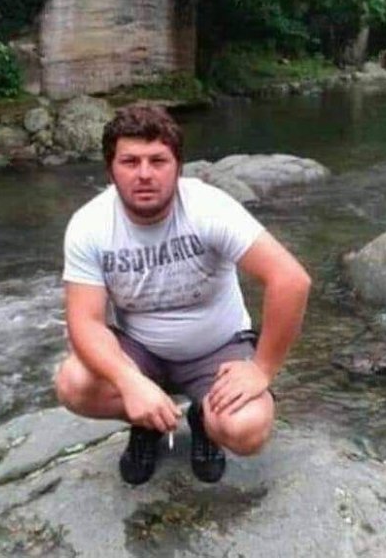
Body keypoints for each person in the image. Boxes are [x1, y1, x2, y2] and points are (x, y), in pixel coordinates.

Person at [55, 104, 311, 485]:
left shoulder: (209, 207)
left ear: (178, 167)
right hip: (140, 352)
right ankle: (148, 422)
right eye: (130, 162)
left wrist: (262, 369)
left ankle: (204, 421)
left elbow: (290, 280)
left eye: (158, 161)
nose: (144, 174)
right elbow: (84, 322)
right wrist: (128, 382)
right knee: (73, 383)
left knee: (247, 429)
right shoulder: (89, 225)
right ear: (110, 170)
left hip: (217, 349)